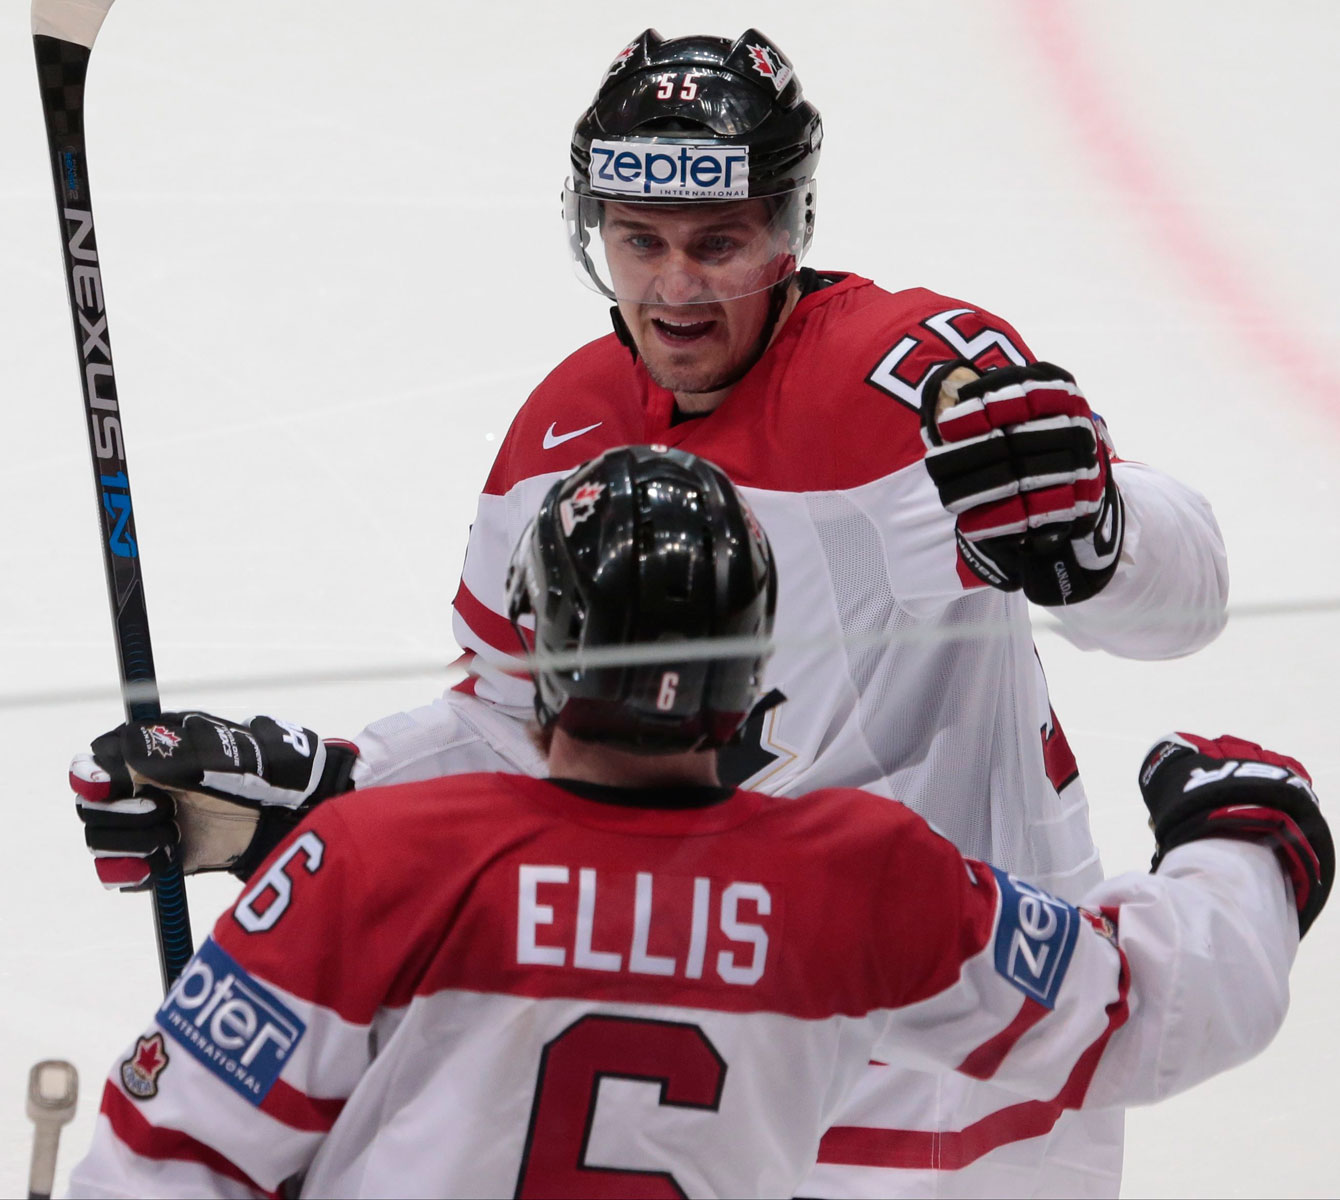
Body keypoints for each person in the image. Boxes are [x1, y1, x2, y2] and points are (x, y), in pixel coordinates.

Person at [70, 28, 1231, 1197]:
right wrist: (323, 789)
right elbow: (509, 722)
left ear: (786, 230)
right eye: (640, 242)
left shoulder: (914, 380)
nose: (674, 289)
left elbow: (1179, 607)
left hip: (958, 1044)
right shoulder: (561, 435)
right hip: (717, 1049)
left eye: (716, 243)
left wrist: (1095, 540)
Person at [68, 448, 1327, 1200]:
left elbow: (153, 1164)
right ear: (755, 661)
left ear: (541, 646)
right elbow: (1147, 1015)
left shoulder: (375, 859)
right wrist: (1246, 845)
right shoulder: (860, 880)